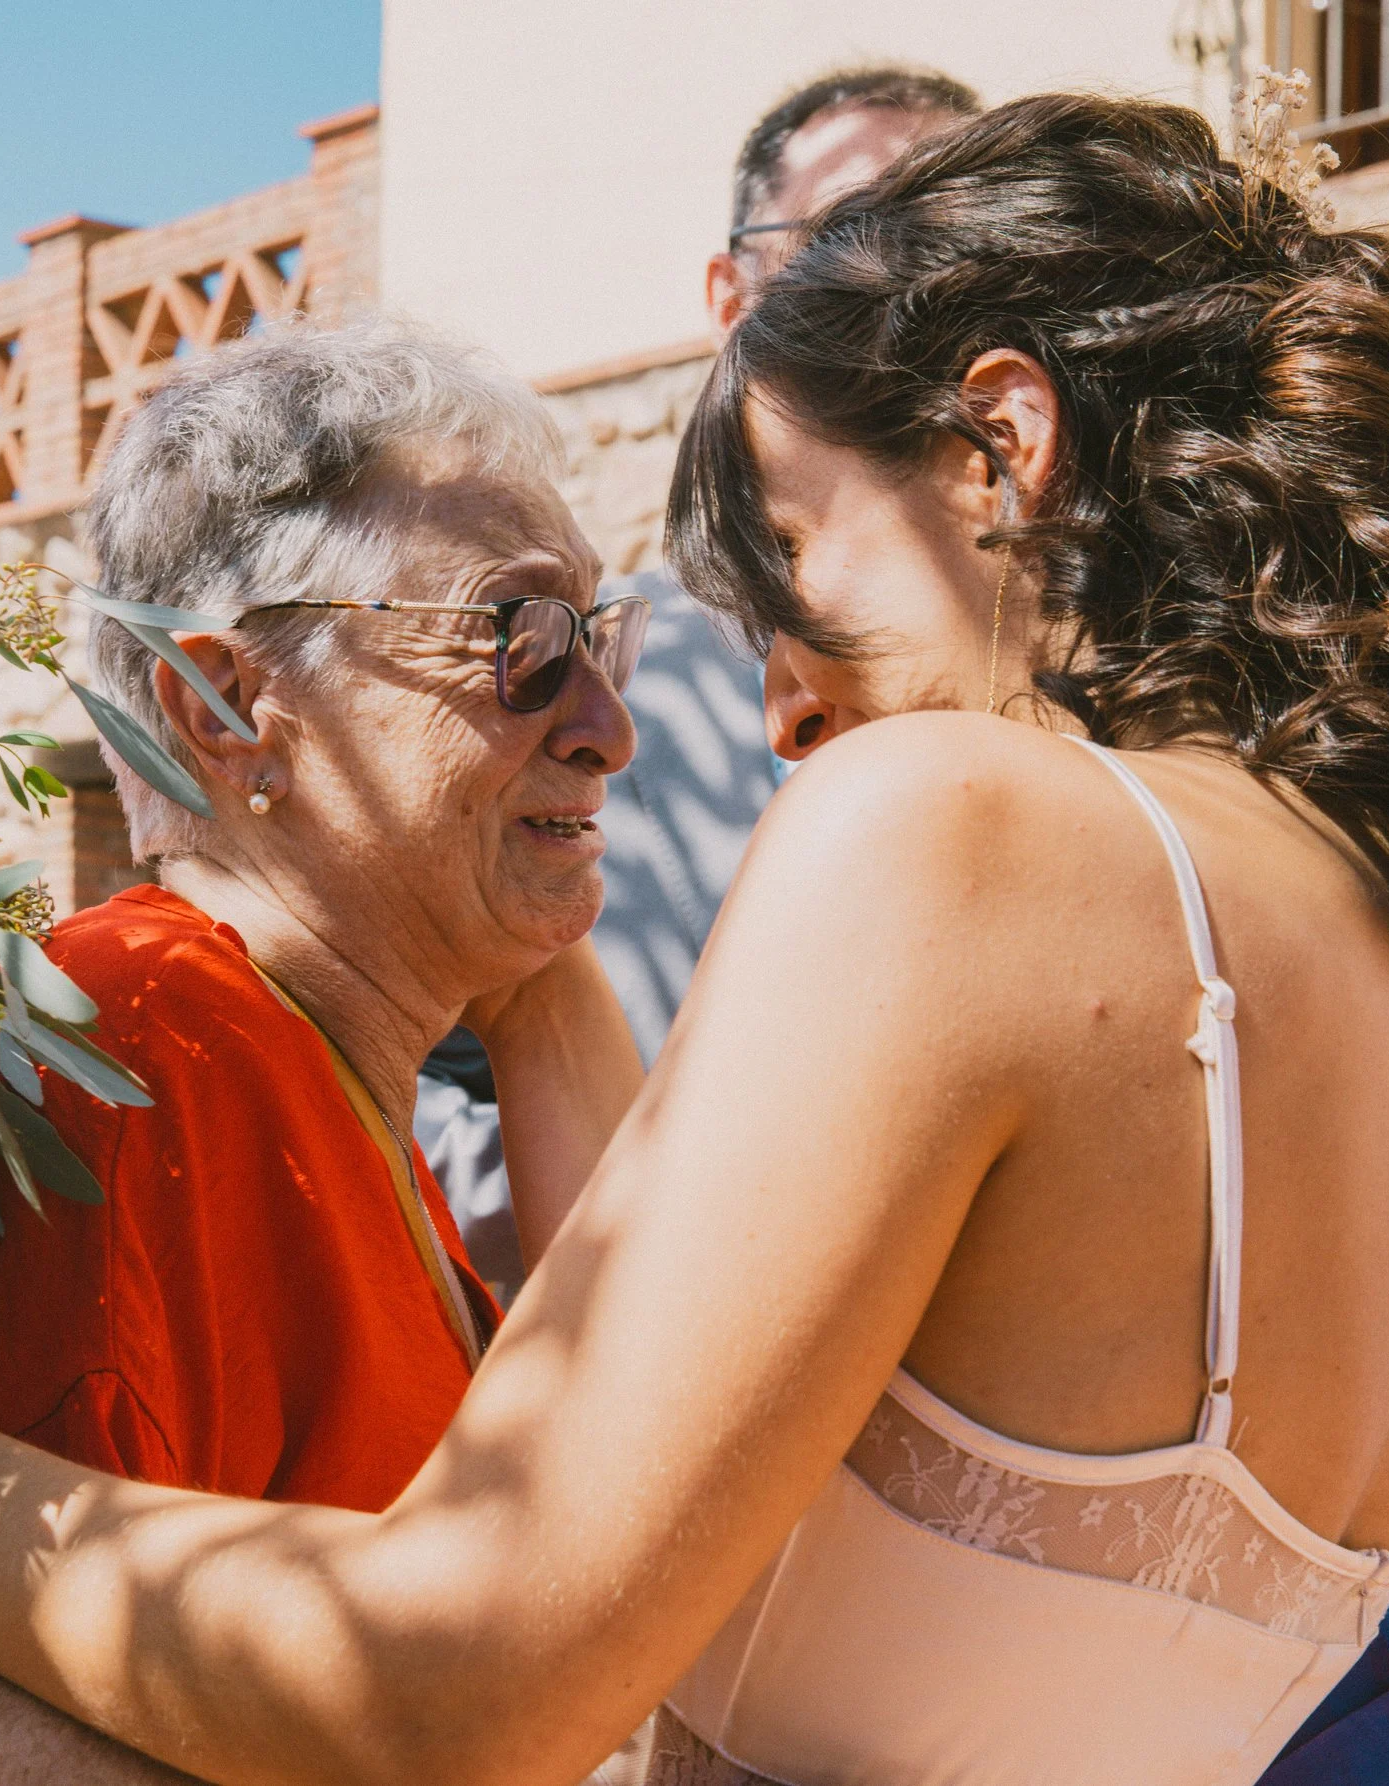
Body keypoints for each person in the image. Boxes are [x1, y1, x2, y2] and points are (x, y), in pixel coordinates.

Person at [0, 93, 1389, 1784]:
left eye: (789, 565)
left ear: (1001, 448)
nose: (759, 705)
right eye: (529, 646)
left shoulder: (954, 823)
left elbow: (459, 1676)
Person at [0, 320, 648, 1780]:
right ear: (220, 706)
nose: (608, 727)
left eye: (597, 642)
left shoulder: (293, 1049)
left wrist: (527, 957)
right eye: (521, 642)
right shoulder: (119, 1049)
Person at [420, 65, 977, 1302]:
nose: (913, 280)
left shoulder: (1112, 688)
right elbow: (420, 1059)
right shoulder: (578, 688)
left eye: (958, 238)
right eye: (852, 230)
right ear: (730, 296)